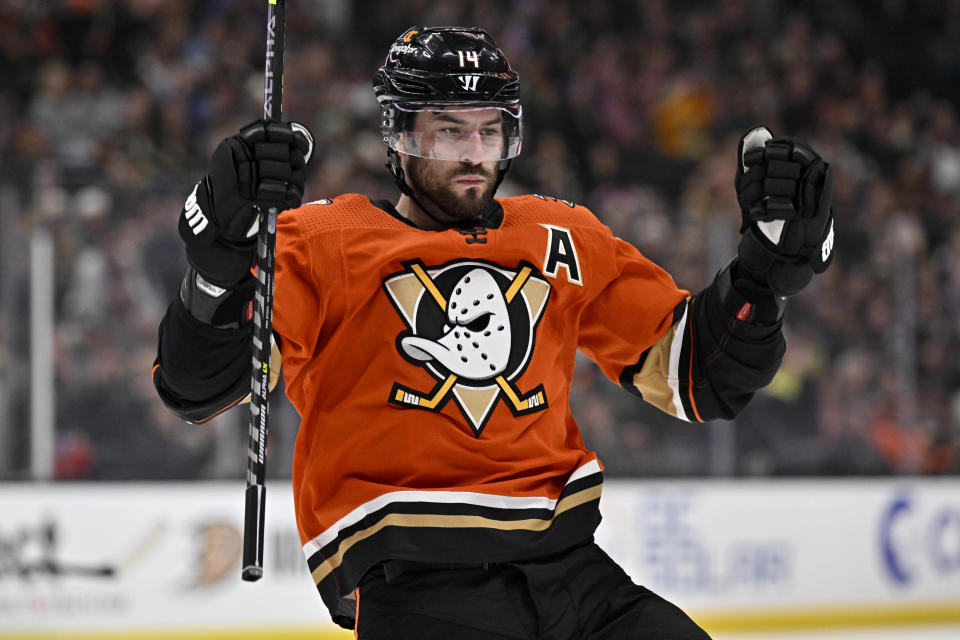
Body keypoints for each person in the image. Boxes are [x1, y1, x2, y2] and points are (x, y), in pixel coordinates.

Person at [153, 26, 835, 639]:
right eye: (449, 131)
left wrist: (761, 280)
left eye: (489, 131)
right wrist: (218, 271)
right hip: (420, 593)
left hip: (577, 583)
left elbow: (698, 377)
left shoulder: (561, 234)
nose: (473, 154)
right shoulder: (319, 245)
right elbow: (195, 387)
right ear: (398, 134)